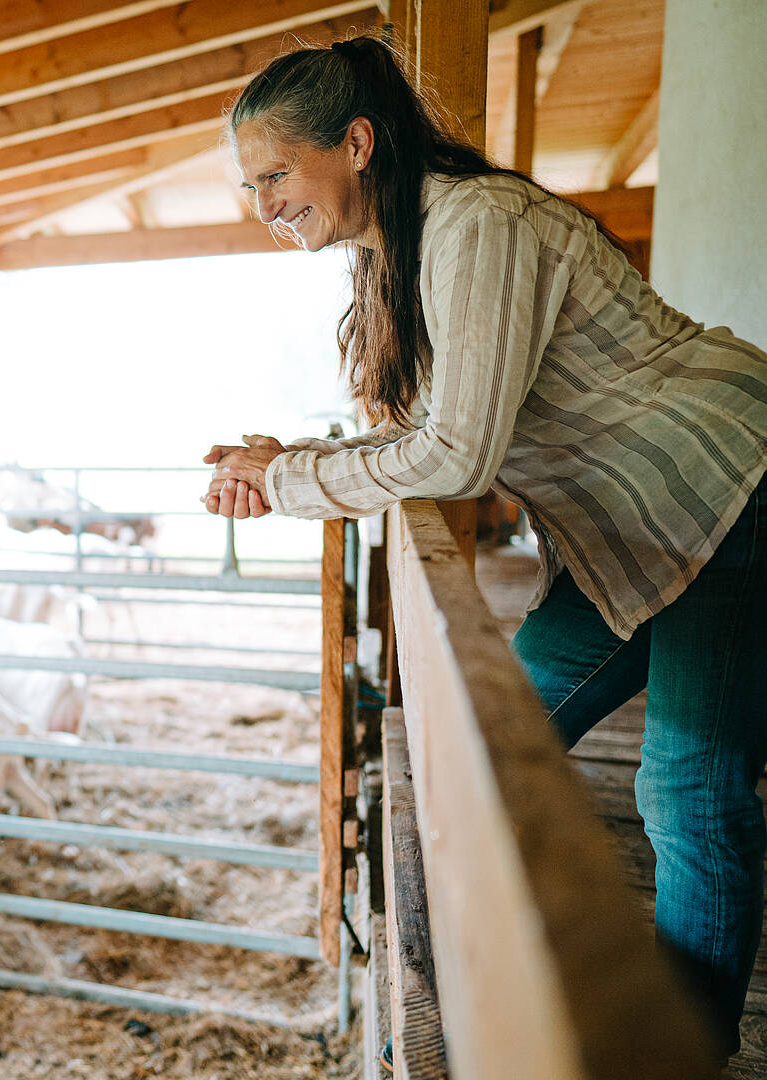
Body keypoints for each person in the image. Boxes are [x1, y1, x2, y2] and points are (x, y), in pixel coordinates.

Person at [201, 34, 767, 1057]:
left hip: (725, 484)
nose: (265, 203)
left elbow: (456, 454)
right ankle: (464, 983)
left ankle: (693, 1048)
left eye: (276, 173)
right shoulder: (397, 255)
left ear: (359, 144)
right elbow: (429, 435)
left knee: (686, 783)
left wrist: (290, 484)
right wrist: (289, 456)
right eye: (253, 184)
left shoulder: (478, 224)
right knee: (479, 740)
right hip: (626, 531)